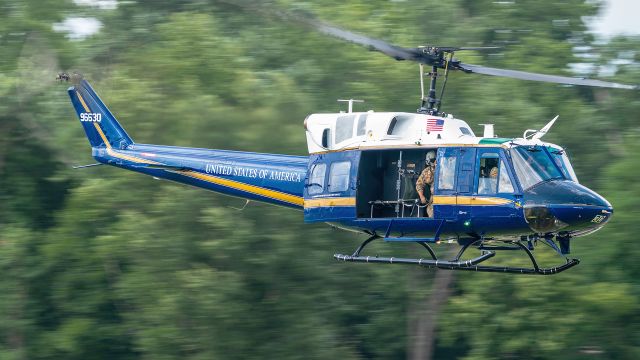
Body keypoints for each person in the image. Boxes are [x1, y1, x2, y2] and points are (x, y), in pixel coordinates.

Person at [416, 150, 436, 217]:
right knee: (431, 212)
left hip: (447, 196)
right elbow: (419, 184)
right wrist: (421, 196)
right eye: (432, 160)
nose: (434, 162)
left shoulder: (444, 168)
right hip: (434, 197)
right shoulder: (426, 171)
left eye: (435, 159)